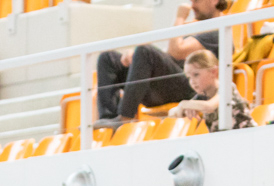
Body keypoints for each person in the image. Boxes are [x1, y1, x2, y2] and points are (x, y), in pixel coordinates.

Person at [95, 0, 228, 122]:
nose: (192, 5)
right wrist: (134, 56)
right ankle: (109, 118)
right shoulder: (197, 31)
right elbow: (169, 56)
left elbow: (176, 51)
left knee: (145, 51)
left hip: (191, 88)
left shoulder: (220, 31)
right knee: (108, 58)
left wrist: (179, 17)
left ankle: (124, 118)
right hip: (166, 85)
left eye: (196, 1)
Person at [171, 50, 255, 132]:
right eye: (189, 77)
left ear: (213, 71)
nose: (192, 81)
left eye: (196, 75)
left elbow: (209, 106)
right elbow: (172, 114)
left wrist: (183, 104)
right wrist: (182, 108)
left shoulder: (227, 87)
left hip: (249, 136)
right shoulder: (201, 97)